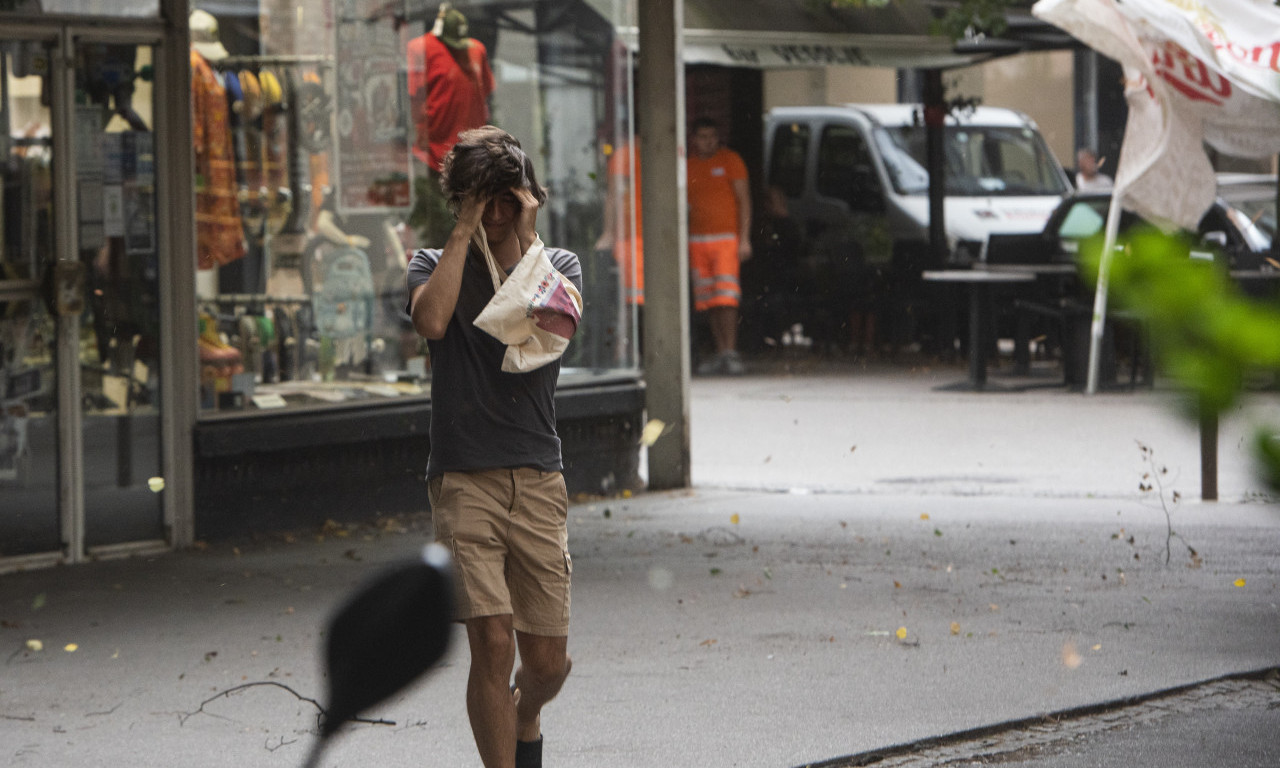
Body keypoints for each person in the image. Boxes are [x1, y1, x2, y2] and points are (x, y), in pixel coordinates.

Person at [406, 126, 579, 768]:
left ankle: (526, 712)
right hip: (463, 476)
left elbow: (549, 327)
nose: (497, 213)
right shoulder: (433, 263)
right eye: (485, 199)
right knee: (493, 642)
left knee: (547, 662)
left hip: (537, 473)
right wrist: (464, 227)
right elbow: (431, 321)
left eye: (507, 197)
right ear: (460, 198)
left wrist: (526, 238)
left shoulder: (557, 265)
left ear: (527, 196)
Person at [686, 117, 751, 375]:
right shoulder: (688, 165)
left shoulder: (730, 161)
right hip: (697, 241)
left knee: (726, 298)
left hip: (725, 238)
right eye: (703, 137)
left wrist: (744, 238)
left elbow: (744, 201)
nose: (708, 141)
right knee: (708, 300)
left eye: (712, 136)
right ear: (694, 139)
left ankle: (730, 350)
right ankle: (720, 351)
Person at [406, 4, 496, 173]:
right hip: (434, 151)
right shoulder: (421, 48)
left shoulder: (477, 50)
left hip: (471, 153)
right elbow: (415, 100)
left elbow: (485, 97)